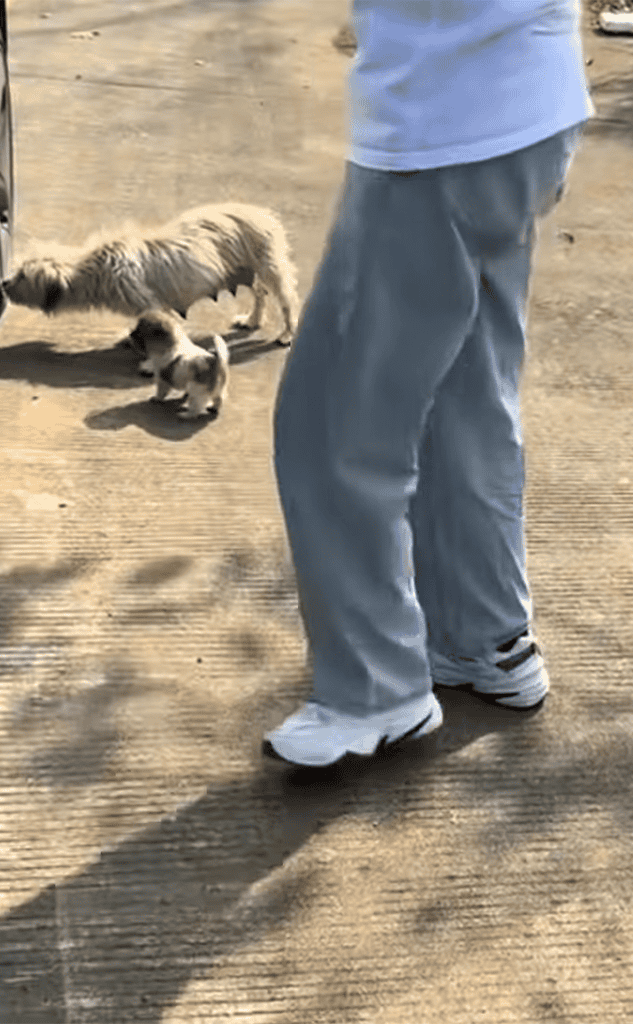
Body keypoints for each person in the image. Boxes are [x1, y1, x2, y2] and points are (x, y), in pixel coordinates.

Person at [264, 0, 593, 767]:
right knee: (463, 389)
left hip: (443, 126)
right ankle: (488, 638)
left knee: (333, 421)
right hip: (525, 106)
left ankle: (375, 691)